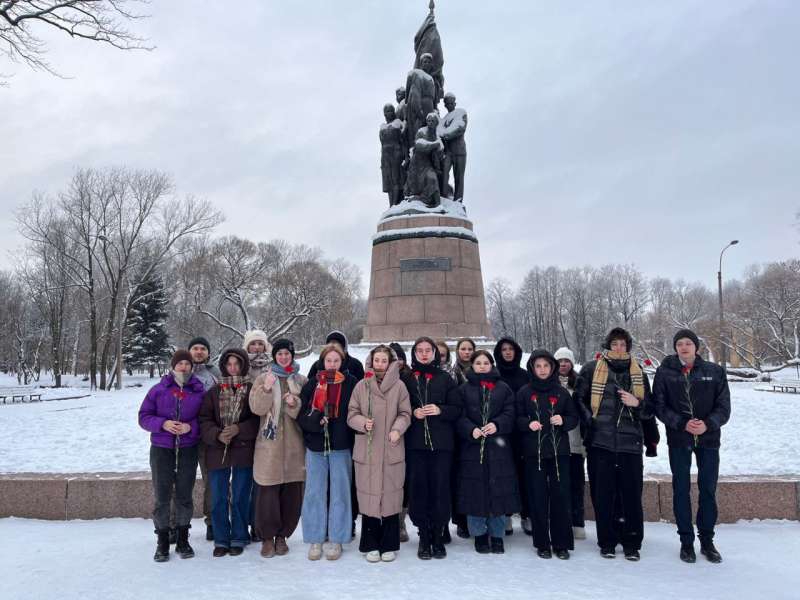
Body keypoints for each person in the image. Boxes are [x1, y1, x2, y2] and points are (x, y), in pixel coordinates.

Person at [574, 327, 653, 561]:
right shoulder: (591, 369)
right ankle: (607, 541)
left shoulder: (639, 373)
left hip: (630, 445)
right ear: (608, 346)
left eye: (623, 344)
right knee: (603, 496)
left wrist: (636, 403)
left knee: (631, 496)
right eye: (614, 344)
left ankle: (631, 542)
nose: (619, 348)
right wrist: (591, 421)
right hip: (601, 444)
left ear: (628, 346)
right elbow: (578, 400)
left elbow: (651, 409)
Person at [653, 329, 731, 564]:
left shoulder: (714, 372)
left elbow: (724, 407)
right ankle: (686, 542)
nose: (684, 347)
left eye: (688, 343)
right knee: (681, 490)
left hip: (708, 440)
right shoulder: (665, 372)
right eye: (679, 344)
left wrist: (707, 425)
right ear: (675, 348)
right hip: (679, 439)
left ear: (696, 347)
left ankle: (707, 540)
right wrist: (682, 423)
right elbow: (659, 405)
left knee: (708, 489)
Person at [138, 350, 205, 562]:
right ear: (173, 366)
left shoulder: (198, 391)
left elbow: (205, 419)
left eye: (187, 364)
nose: (183, 367)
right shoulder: (159, 390)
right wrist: (163, 424)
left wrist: (190, 427)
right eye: (180, 364)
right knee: (162, 496)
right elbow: (143, 417)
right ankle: (163, 541)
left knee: (185, 495)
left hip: (187, 449)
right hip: (162, 448)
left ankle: (183, 538)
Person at [348, 345, 412, 562]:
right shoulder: (361, 385)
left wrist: (397, 429)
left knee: (391, 496)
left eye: (384, 361)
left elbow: (405, 413)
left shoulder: (400, 386)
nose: (380, 365)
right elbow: (351, 413)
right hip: (368, 449)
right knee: (369, 497)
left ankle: (389, 543)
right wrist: (361, 422)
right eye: (377, 360)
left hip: (391, 447)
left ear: (391, 362)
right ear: (371, 361)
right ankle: (370, 543)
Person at [454, 350, 519, 554]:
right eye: (478, 363)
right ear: (472, 366)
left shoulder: (503, 388)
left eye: (485, 362)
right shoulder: (464, 390)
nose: (482, 366)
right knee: (475, 492)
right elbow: (458, 415)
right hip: (472, 448)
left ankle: (497, 535)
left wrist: (497, 425)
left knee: (498, 492)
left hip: (498, 449)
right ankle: (479, 534)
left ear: (492, 365)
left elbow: (510, 412)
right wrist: (470, 429)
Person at [516, 350, 579, 559]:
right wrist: (527, 423)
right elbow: (516, 418)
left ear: (552, 368)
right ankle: (542, 542)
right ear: (532, 368)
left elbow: (573, 417)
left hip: (559, 452)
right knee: (538, 497)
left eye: (546, 366)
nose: (542, 370)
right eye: (538, 366)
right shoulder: (525, 392)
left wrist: (564, 421)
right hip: (534, 453)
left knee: (561, 497)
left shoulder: (561, 392)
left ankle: (561, 542)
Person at [248, 338, 308, 558]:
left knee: (292, 496)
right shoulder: (265, 378)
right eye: (280, 354)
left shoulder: (301, 380)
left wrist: (296, 404)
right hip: (269, 447)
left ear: (292, 356)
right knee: (267, 495)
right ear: (275, 356)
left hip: (294, 447)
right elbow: (256, 408)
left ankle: (283, 536)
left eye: (287, 354)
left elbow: (308, 413)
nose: (284, 357)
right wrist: (265, 389)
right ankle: (266, 537)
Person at [298, 344, 358, 561]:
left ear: (342, 362)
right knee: (314, 492)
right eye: (328, 360)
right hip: (316, 446)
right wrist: (315, 421)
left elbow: (357, 411)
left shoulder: (351, 383)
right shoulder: (313, 383)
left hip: (341, 445)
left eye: (336, 361)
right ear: (322, 362)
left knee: (340, 493)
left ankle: (337, 537)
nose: (332, 364)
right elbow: (301, 415)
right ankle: (315, 536)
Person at [199, 348, 259, 557]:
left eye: (237, 364)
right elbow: (204, 420)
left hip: (243, 450)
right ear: (224, 366)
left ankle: (239, 536)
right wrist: (217, 434)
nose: (233, 368)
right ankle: (221, 538)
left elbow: (257, 419)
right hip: (218, 451)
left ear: (243, 366)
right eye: (229, 364)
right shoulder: (213, 392)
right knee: (218, 497)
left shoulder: (252, 389)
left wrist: (239, 429)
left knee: (241, 495)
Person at [407, 336, 461, 560]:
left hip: (441, 445)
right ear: (414, 353)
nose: (424, 354)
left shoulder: (446, 378)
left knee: (440, 489)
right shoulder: (407, 378)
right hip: (416, 444)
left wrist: (440, 410)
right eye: (419, 350)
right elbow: (398, 407)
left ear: (435, 353)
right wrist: (413, 411)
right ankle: (423, 535)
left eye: (428, 350)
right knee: (419, 489)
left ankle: (438, 534)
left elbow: (457, 408)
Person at [493, 337, 530, 535]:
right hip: (501, 434)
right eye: (504, 349)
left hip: (522, 433)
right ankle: (505, 515)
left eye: (511, 349)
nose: (507, 352)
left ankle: (526, 514)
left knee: (525, 475)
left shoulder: (525, 375)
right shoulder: (494, 375)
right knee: (503, 475)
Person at [188, 336, 220, 542]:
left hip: (209, 437)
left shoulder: (215, 373)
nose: (199, 352)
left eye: (203, 349)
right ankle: (178, 524)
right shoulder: (181, 370)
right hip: (184, 437)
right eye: (195, 348)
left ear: (208, 352)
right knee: (182, 481)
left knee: (212, 481)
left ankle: (212, 522)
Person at [554, 346, 588, 541]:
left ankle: (577, 522)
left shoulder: (580, 384)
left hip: (576, 443)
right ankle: (562, 521)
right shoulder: (550, 384)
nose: (563, 364)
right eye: (559, 361)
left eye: (566, 361)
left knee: (577, 485)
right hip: (557, 444)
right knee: (559, 486)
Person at [390, 341, 417, 544]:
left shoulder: (410, 378)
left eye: (400, 358)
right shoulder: (375, 378)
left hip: (407, 436)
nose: (397, 362)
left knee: (403, 482)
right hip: (384, 436)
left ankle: (399, 522)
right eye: (393, 358)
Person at [437, 92, 468, 201]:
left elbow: (459, 128)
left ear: (455, 103)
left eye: (450, 102)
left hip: (459, 151)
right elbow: (438, 131)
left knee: (459, 177)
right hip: (448, 152)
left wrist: (445, 134)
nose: (449, 104)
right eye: (447, 103)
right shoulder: (444, 119)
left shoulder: (461, 113)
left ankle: (458, 200)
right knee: (444, 174)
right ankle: (444, 197)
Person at [381, 103, 407, 206]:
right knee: (388, 181)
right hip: (385, 155)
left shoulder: (398, 123)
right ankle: (391, 203)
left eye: (390, 111)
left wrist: (406, 157)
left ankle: (395, 203)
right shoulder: (382, 127)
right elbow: (381, 144)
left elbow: (404, 141)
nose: (388, 113)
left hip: (396, 153)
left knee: (396, 178)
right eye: (386, 111)